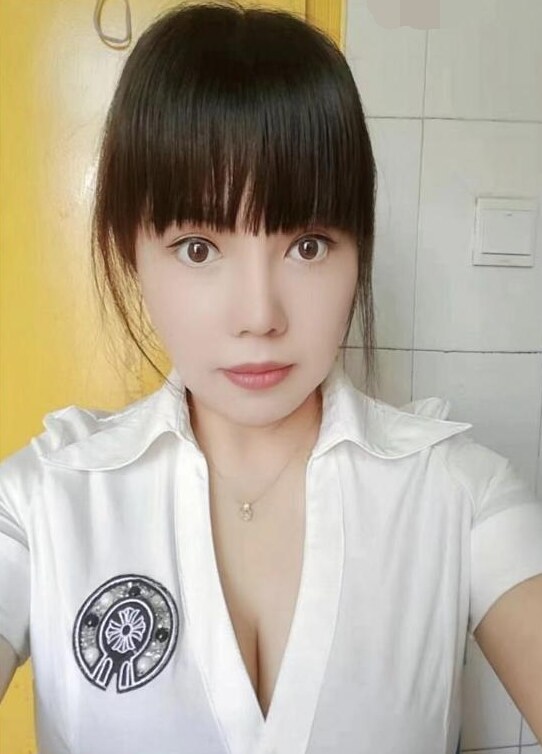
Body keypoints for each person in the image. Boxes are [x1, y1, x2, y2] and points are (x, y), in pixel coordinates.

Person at [1, 2, 542, 752]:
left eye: (308, 245)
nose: (259, 315)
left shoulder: (460, 495)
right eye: (198, 248)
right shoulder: (43, 502)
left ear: (359, 248)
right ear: (132, 250)